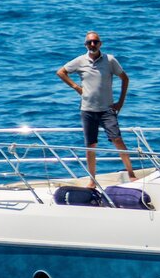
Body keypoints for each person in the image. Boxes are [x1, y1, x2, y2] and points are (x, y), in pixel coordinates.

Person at [56, 31, 135, 187]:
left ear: (100, 44)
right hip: (88, 110)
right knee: (90, 146)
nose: (92, 45)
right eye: (89, 42)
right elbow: (61, 72)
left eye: (95, 42)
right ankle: (92, 180)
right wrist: (76, 87)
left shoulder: (110, 60)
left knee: (117, 140)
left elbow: (125, 78)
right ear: (85, 44)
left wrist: (120, 102)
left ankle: (131, 173)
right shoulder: (80, 61)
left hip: (107, 109)